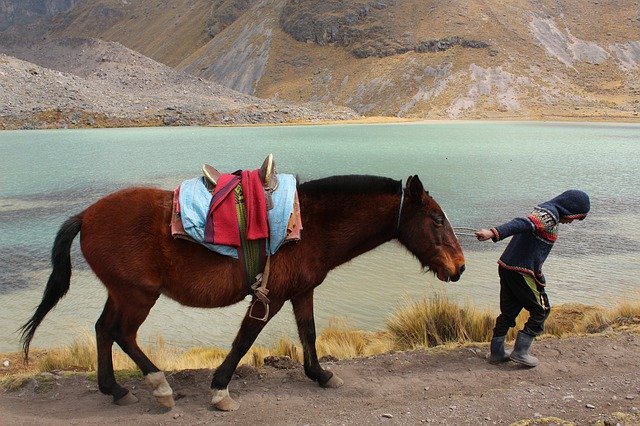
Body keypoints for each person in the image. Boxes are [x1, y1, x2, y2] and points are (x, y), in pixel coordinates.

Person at [475, 190, 590, 367]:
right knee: (541, 310)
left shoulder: (544, 209)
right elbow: (521, 223)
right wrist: (494, 233)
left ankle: (497, 352)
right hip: (522, 271)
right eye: (574, 217)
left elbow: (525, 226)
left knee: (509, 311)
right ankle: (520, 352)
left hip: (506, 266)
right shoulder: (549, 216)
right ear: (570, 209)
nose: (571, 222)